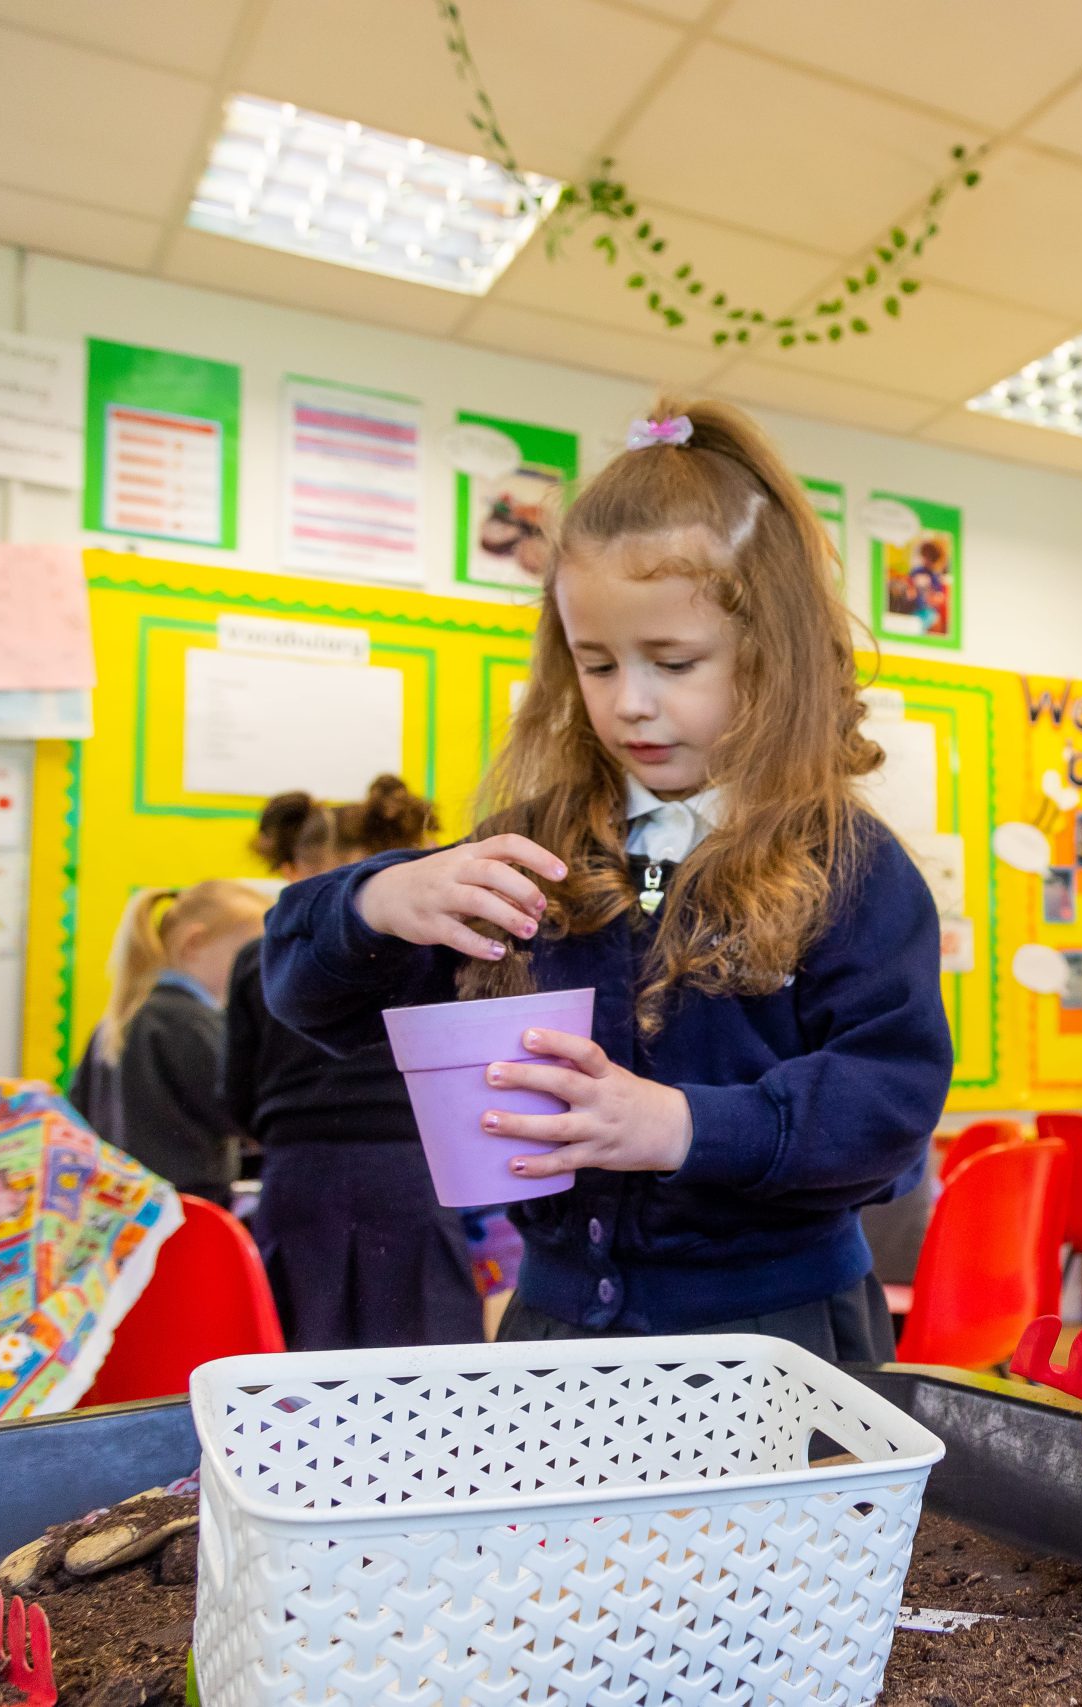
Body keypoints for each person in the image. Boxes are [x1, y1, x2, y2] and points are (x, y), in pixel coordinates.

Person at [262, 398, 951, 1359]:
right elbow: (300, 988)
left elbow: (890, 1105)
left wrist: (681, 1125)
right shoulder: (529, 851)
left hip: (776, 1338)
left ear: (772, 656)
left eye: (674, 662)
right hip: (558, 1333)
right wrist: (378, 903)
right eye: (596, 663)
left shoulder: (849, 867)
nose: (631, 703)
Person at [227, 777, 486, 1351]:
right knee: (423, 1373)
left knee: (301, 1369)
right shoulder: (436, 944)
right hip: (412, 1171)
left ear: (296, 870)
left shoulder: (258, 959)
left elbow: (237, 1098)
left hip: (298, 1178)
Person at [69, 879, 269, 1204]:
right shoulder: (192, 1022)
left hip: (120, 1204)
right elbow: (242, 1111)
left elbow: (78, 1113)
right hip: (188, 1207)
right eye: (249, 955)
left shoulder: (117, 1021)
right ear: (193, 944)